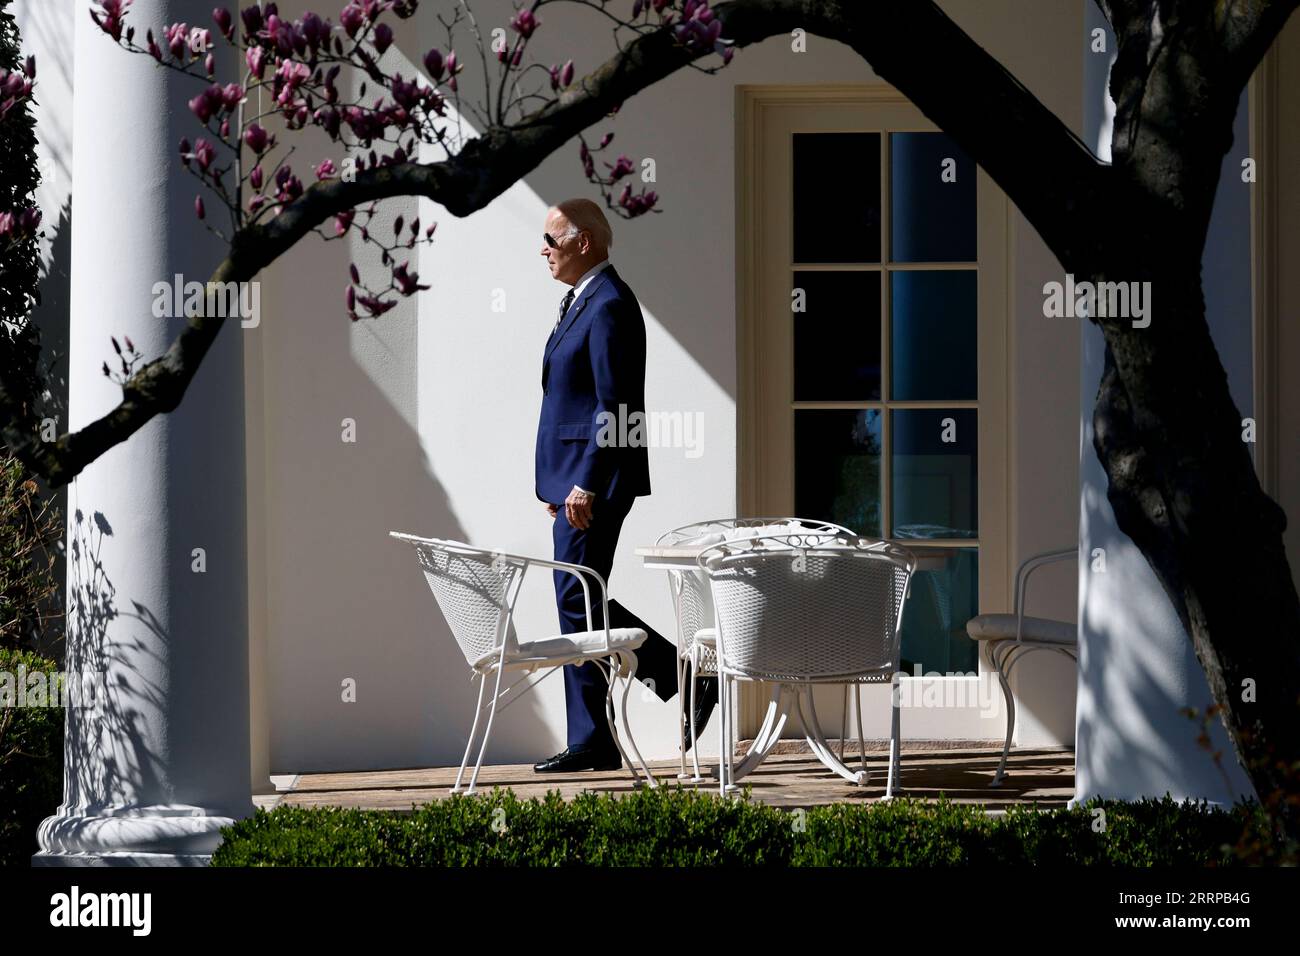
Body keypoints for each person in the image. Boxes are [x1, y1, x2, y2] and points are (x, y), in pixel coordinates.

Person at [532, 198, 716, 773]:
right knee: (579, 599)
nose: (544, 250)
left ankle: (639, 707)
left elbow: (617, 406)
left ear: (583, 242)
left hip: (597, 481)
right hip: (576, 483)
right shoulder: (584, 301)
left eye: (552, 241)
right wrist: (565, 484)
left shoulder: (608, 304)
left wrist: (585, 483)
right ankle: (619, 720)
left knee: (575, 598)